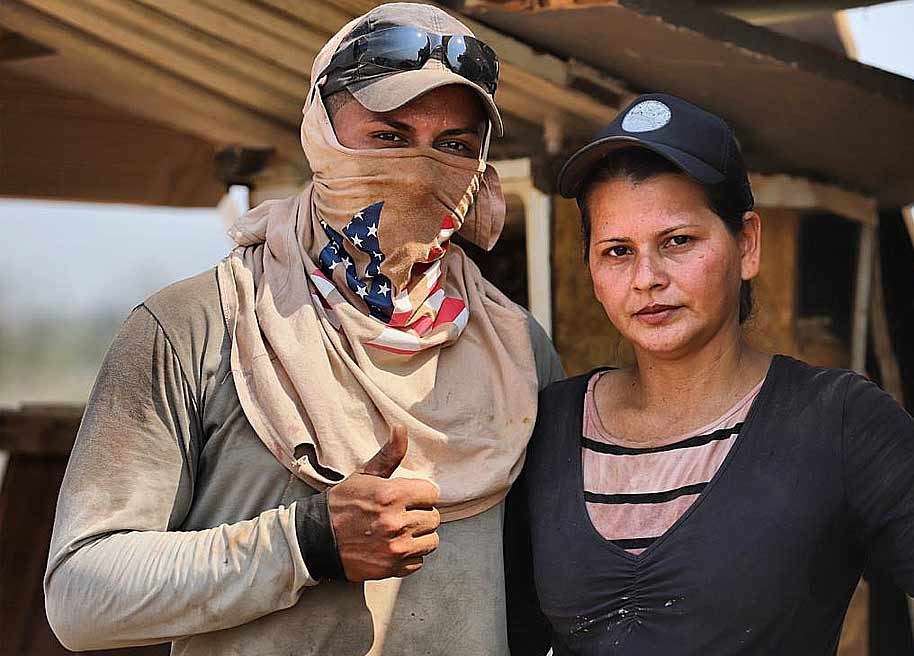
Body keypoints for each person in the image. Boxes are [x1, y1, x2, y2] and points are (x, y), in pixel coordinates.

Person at [44, 4, 562, 655]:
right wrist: (305, 544)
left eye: (454, 146)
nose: (421, 168)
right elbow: (82, 597)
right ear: (321, 132)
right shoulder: (201, 325)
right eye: (390, 137)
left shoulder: (515, 350)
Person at [506, 93, 914, 654]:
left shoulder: (838, 423)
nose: (647, 277)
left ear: (747, 245)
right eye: (618, 251)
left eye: (678, 241)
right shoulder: (548, 426)